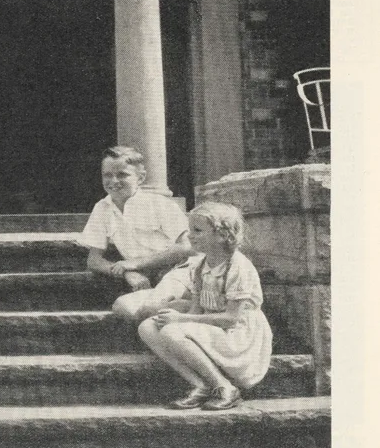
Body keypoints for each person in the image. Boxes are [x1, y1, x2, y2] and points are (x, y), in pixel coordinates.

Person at [138, 201, 273, 411]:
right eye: (190, 229)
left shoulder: (238, 266)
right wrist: (177, 312)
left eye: (197, 230)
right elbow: (197, 310)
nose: (189, 235)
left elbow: (231, 318)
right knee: (147, 326)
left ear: (221, 235)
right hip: (215, 327)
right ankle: (199, 384)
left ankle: (224, 387)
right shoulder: (201, 265)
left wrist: (181, 320)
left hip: (238, 335)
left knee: (172, 331)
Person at [77, 146, 193, 321]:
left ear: (141, 178)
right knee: (122, 307)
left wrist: (135, 264)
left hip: (177, 272)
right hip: (145, 279)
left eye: (122, 175)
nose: (114, 181)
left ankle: (183, 310)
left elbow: (186, 246)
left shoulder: (159, 204)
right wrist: (127, 272)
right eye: (107, 175)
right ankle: (178, 311)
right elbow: (94, 260)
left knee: (147, 310)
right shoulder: (102, 208)